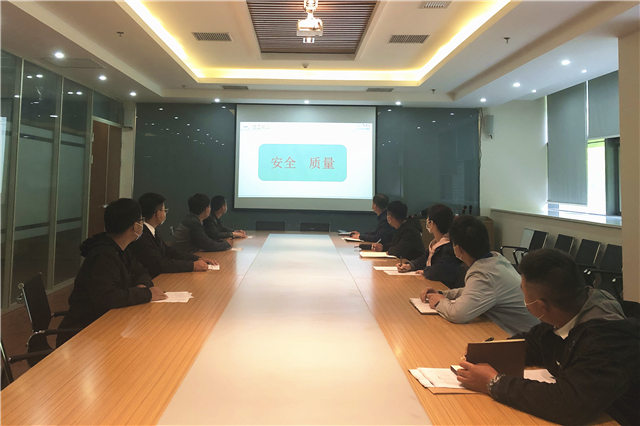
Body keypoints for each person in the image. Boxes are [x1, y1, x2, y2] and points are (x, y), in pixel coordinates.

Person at [455, 249, 640, 425]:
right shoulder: (568, 311)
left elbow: (570, 404)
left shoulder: (607, 339)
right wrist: (488, 354)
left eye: (523, 292)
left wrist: (493, 382)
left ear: (541, 306)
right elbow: (534, 343)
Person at [56, 198, 167, 346]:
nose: (142, 224)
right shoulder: (103, 256)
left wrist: (142, 286)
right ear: (135, 226)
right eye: (140, 220)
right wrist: (146, 294)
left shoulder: (122, 248)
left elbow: (141, 271)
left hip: (107, 322)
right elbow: (107, 297)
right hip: (85, 333)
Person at [423, 215, 538, 335]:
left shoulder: (484, 273)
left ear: (457, 249)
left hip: (524, 339)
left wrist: (439, 302)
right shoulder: (495, 259)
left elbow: (457, 314)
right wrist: (443, 294)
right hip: (526, 331)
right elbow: (474, 291)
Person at [129, 193, 218, 278]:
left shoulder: (152, 230)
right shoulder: (142, 235)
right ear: (157, 213)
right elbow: (159, 264)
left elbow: (169, 251)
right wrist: (192, 265)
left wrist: (197, 259)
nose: (165, 213)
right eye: (164, 210)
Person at [396, 204, 466, 288]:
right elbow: (424, 258)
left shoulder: (449, 247)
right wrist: (410, 265)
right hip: (429, 282)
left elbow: (440, 270)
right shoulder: (435, 242)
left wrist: (425, 272)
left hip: (442, 287)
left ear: (431, 223)